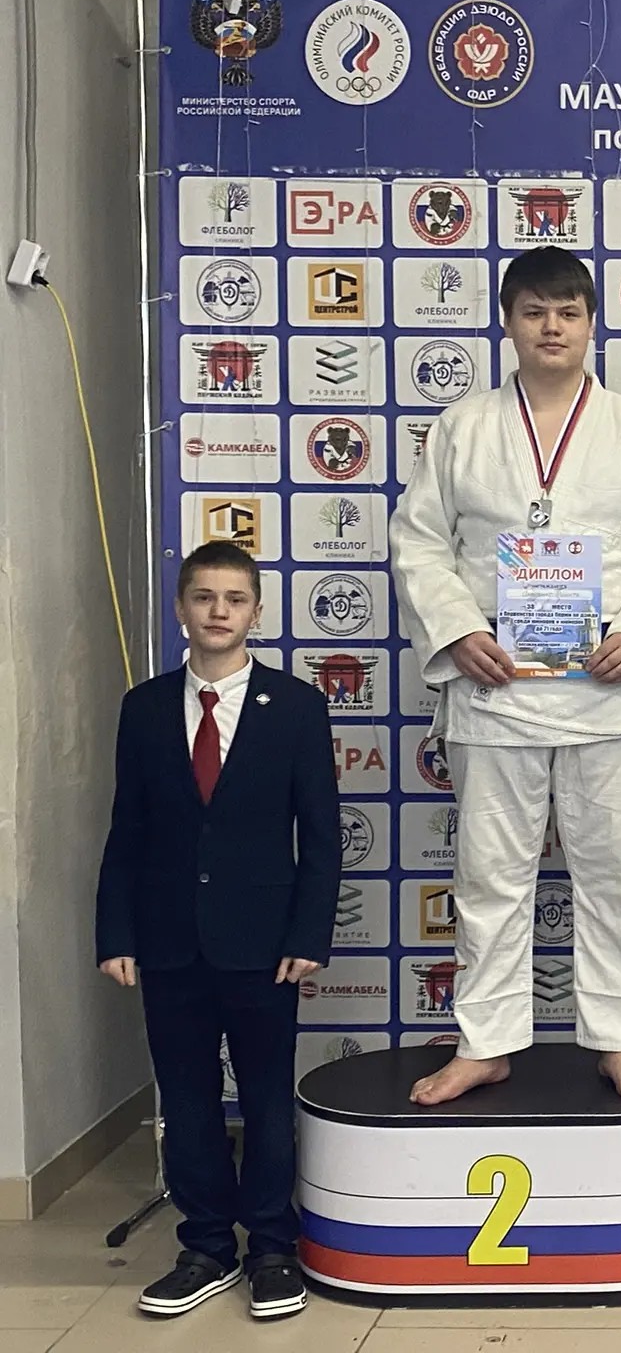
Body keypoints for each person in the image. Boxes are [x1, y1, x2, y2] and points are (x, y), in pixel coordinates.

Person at [389, 245, 621, 1105]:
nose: (551, 327)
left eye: (568, 312)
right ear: (508, 323)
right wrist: (458, 631)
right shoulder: (463, 427)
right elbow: (418, 541)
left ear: (592, 323)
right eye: (534, 312)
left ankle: (618, 1037)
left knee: (614, 874)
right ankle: (486, 1041)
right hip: (496, 686)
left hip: (605, 688)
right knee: (490, 875)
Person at [95, 541, 340, 1320]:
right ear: (181, 608)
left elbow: (322, 836)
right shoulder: (144, 707)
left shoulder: (296, 707)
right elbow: (127, 830)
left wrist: (308, 934)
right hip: (168, 942)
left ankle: (271, 1248)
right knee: (189, 1099)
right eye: (204, 597)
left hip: (264, 944)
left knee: (266, 1099)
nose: (218, 612)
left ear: (256, 612)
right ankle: (205, 1247)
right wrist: (115, 933)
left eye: (234, 599)